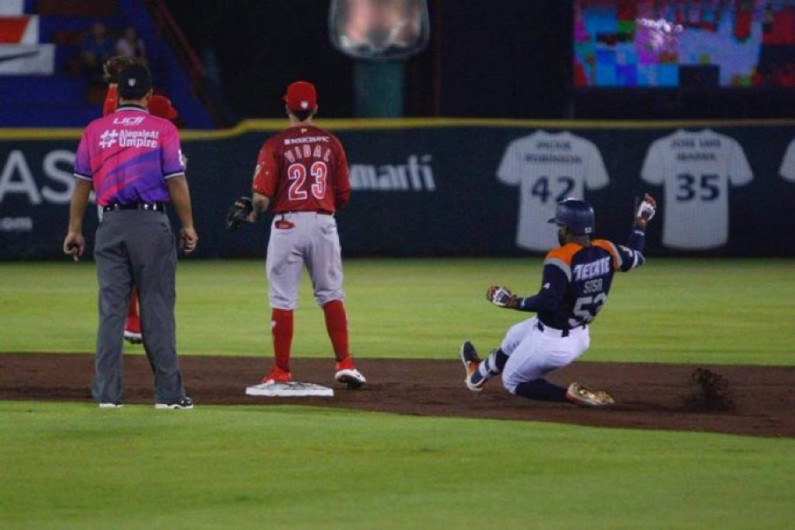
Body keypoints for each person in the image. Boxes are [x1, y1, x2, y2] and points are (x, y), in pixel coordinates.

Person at [63, 63, 197, 409]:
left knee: (112, 312)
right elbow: (176, 180)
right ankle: (168, 395)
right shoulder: (162, 128)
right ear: (149, 96)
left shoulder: (96, 129)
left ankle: (107, 395)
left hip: (110, 225)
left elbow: (81, 182)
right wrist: (188, 224)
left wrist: (75, 228)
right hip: (151, 226)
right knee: (157, 310)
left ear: (118, 94)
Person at [460, 194, 657, 407]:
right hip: (578, 335)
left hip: (551, 342)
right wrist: (641, 222)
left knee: (512, 380)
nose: (559, 231)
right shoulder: (607, 250)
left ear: (568, 229)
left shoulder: (562, 257)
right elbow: (636, 254)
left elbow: (548, 302)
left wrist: (511, 302)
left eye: (560, 226)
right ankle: (477, 375)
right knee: (514, 336)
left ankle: (570, 395)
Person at [243, 80, 366, 389]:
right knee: (331, 294)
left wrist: (254, 212)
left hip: (287, 224)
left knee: (283, 299)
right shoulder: (331, 142)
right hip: (323, 222)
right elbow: (344, 194)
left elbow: (260, 198)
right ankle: (345, 363)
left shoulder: (275, 144)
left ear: (286, 107)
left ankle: (281, 370)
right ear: (315, 108)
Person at [100, 56, 179, 345]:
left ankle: (132, 320)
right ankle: (134, 320)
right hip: (130, 204)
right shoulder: (147, 125)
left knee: (130, 266)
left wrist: (113, 84)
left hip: (118, 201)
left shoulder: (124, 120)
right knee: (138, 266)